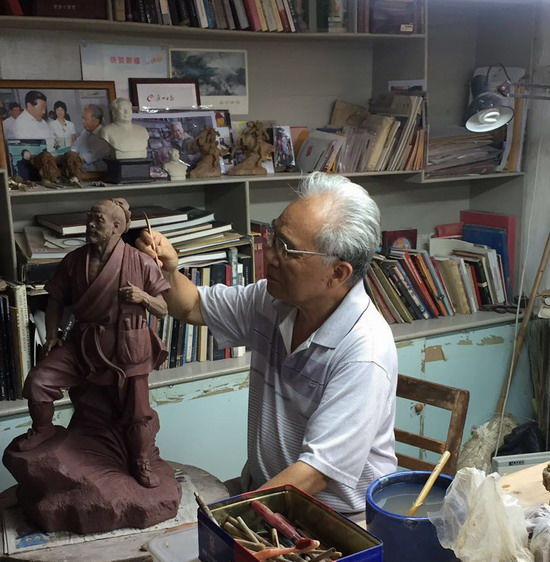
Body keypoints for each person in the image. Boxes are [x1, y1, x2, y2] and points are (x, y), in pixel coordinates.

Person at [137, 172, 398, 513]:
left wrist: (233, 517)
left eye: (287, 249)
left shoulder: (364, 351)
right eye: (274, 236)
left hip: (334, 516)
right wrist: (169, 271)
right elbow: (192, 306)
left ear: (338, 273)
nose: (270, 255)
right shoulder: (272, 301)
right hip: (268, 491)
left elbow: (316, 472)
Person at [16, 198, 170, 488]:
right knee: (39, 381)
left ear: (117, 227)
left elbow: (163, 308)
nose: (90, 224)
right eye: (90, 218)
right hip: (83, 342)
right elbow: (55, 300)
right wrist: (52, 336)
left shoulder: (140, 261)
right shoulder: (74, 260)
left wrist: (143, 297)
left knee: (138, 411)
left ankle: (141, 459)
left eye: (98, 219)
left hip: (127, 343)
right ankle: (43, 429)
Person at [71, 104, 111, 172]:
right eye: (82, 118)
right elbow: (74, 148)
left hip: (95, 175)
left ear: (96, 121)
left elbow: (83, 159)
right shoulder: (85, 132)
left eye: (85, 119)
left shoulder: (104, 136)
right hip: (80, 171)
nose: (82, 122)